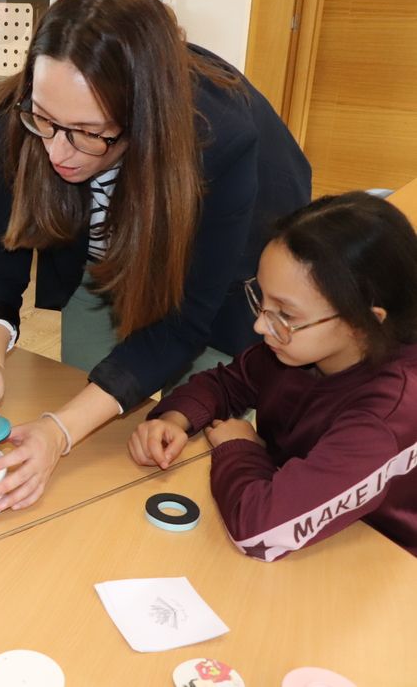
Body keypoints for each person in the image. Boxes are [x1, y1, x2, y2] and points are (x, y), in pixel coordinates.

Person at [0, 0, 312, 511]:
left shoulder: (219, 139)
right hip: (107, 264)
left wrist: (59, 432)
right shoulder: (17, 121)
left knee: (196, 448)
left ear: (143, 121)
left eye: (88, 132)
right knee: (97, 433)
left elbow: (183, 321)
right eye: (45, 120)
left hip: (223, 279)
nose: (57, 152)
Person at [129, 193, 417, 560]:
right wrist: (174, 419)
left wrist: (240, 449)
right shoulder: (295, 348)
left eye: (285, 314)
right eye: (262, 299)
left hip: (373, 562)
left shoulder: (390, 413)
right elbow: (225, 383)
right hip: (302, 518)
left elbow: (261, 530)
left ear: (364, 322)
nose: (260, 324)